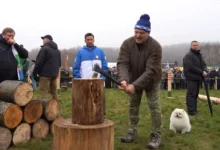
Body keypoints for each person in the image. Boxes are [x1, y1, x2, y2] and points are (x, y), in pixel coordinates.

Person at [117, 14, 162, 149]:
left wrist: (135, 86)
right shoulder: (127, 44)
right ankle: (132, 132)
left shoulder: (155, 47)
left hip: (151, 81)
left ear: (148, 33)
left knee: (154, 107)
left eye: (141, 33)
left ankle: (156, 135)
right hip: (132, 80)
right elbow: (122, 63)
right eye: (136, 32)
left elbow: (151, 70)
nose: (138, 35)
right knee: (133, 106)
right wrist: (124, 80)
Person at [183, 41, 207, 116]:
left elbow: (204, 64)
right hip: (191, 78)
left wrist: (205, 70)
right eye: (194, 45)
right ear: (191, 46)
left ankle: (194, 109)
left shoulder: (199, 55)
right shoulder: (188, 55)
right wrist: (201, 72)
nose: (195, 46)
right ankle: (191, 111)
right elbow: (190, 67)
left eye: (196, 45)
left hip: (198, 78)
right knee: (191, 94)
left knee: (195, 94)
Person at [33, 35, 61, 100]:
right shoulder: (57, 51)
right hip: (54, 74)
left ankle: (43, 108)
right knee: (54, 91)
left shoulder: (44, 49)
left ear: (48, 40)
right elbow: (59, 63)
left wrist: (35, 72)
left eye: (43, 39)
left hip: (45, 75)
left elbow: (39, 62)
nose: (43, 40)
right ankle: (56, 106)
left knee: (43, 92)